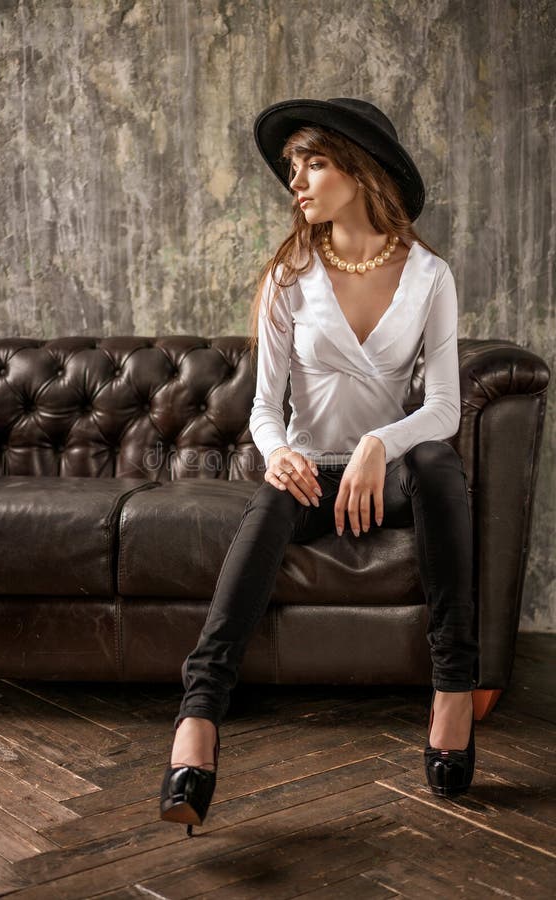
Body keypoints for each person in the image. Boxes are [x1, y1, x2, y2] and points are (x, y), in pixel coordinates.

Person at [160, 97, 479, 836]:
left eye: (314, 164)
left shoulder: (430, 276)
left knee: (437, 462)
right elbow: (265, 408)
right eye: (292, 169)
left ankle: (454, 688)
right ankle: (198, 718)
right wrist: (281, 455)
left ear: (359, 170)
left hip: (393, 475)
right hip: (312, 475)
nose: (295, 182)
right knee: (270, 497)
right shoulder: (288, 274)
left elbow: (443, 408)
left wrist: (378, 445)